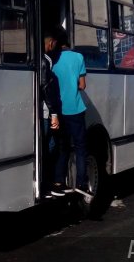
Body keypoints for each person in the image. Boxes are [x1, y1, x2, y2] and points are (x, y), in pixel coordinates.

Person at [51, 30, 89, 196]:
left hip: (58, 110)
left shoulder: (52, 60)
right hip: (75, 109)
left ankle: (58, 181)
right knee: (80, 147)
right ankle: (81, 183)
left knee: (62, 147)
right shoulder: (78, 57)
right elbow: (82, 85)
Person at [40, 31, 62, 197]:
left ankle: (44, 182)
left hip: (40, 110)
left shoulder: (37, 57)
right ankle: (46, 182)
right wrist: (54, 112)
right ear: (51, 43)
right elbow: (46, 88)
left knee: (48, 145)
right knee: (50, 145)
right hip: (46, 111)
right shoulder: (46, 60)